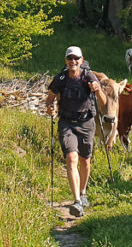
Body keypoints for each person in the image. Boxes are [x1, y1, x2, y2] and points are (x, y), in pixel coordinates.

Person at [45, 46, 107, 217]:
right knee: (71, 157)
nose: (73, 61)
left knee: (85, 161)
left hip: (86, 123)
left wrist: (98, 89)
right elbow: (49, 99)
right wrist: (50, 108)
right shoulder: (61, 79)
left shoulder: (89, 77)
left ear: (81, 60)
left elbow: (103, 103)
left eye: (76, 58)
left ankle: (83, 191)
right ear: (66, 60)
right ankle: (77, 201)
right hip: (66, 123)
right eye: (70, 58)